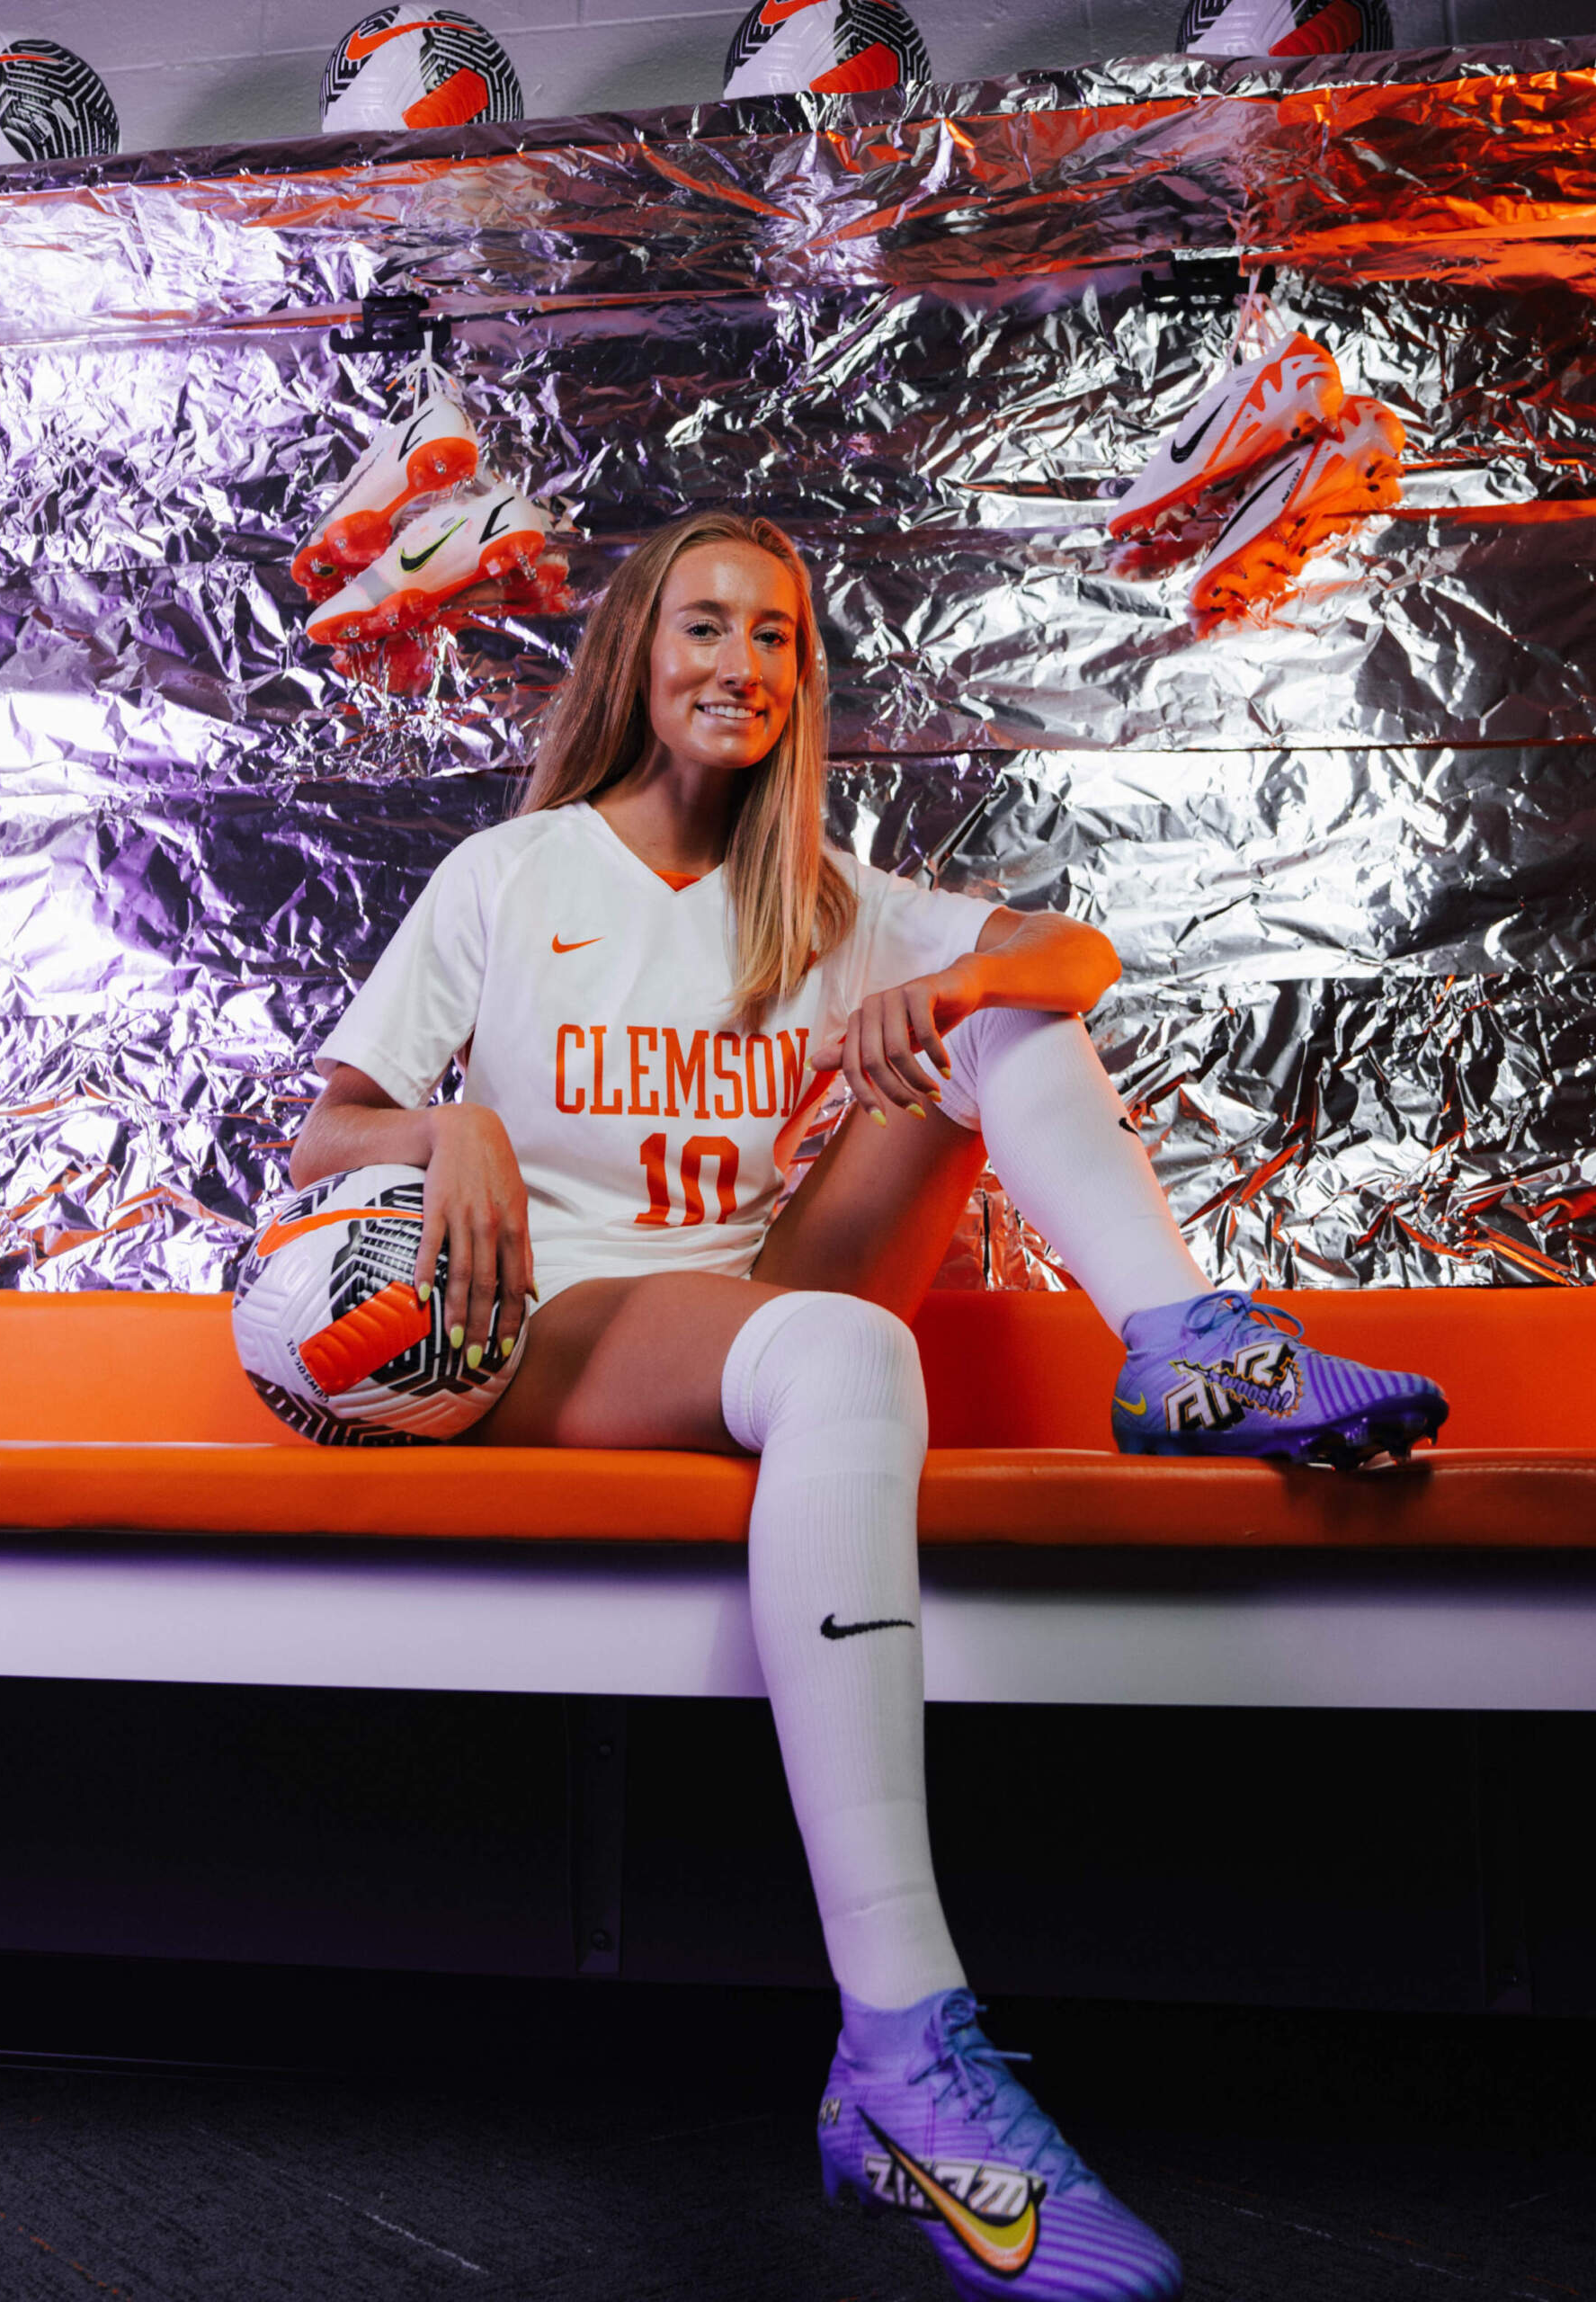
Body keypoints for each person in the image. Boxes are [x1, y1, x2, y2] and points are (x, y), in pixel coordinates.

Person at [290, 509, 1446, 2301]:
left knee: (1008, 1015)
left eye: (775, 636)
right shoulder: (513, 874)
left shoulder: (825, 897)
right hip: (557, 1324)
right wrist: (453, 1127)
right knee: (845, 1352)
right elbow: (323, 1137)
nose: (738, 663)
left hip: (746, 1301)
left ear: (801, 677)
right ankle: (903, 2050)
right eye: (704, 625)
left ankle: (1188, 1344)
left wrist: (952, 982)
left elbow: (1076, 958)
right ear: (638, 653)